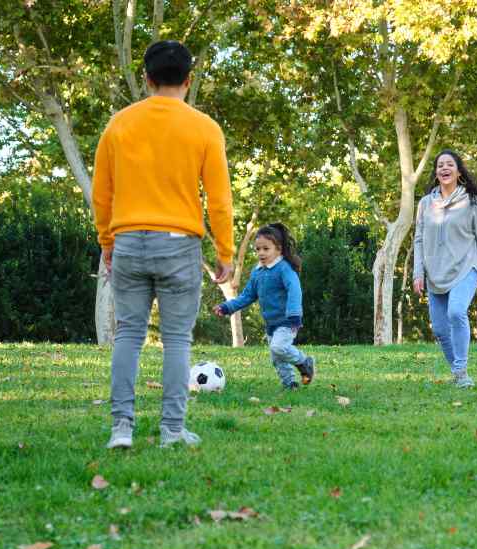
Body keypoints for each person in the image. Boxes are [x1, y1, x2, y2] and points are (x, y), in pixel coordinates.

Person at [93, 40, 235, 449]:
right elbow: (220, 199)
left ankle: (122, 428)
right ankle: (172, 430)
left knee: (129, 336)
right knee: (177, 340)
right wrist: (224, 253)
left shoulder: (119, 124)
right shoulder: (204, 127)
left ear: (147, 78)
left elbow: (102, 193)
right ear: (189, 80)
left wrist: (107, 241)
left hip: (128, 240)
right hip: (178, 243)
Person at [412, 150, 477, 388]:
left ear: (459, 172)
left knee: (456, 312)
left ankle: (461, 371)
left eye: (450, 165)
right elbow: (418, 239)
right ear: (436, 173)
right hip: (436, 272)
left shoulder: (472, 202)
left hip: (467, 266)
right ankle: (458, 372)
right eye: (440, 166)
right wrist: (419, 273)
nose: (444, 168)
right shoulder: (425, 204)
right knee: (439, 329)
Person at [213, 224, 314, 390]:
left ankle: (304, 362)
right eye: (258, 249)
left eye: (266, 249)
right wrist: (227, 307)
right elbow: (247, 296)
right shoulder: (257, 272)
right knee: (277, 357)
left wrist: (295, 313)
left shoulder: (284, 269)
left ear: (278, 249)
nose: (261, 253)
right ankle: (290, 384)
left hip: (288, 321)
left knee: (279, 347)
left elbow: (294, 289)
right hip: (271, 324)